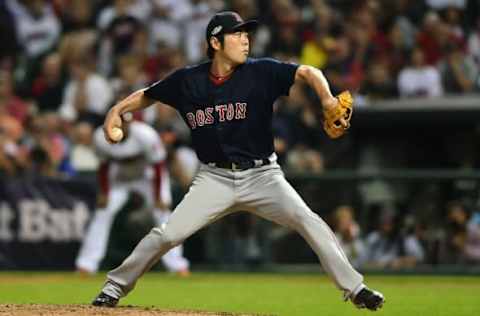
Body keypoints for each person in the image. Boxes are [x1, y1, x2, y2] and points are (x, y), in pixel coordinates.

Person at [92, 11, 385, 311]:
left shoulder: (261, 72)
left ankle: (356, 288)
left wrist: (326, 98)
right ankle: (113, 287)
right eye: (237, 34)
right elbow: (148, 94)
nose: (246, 40)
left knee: (307, 220)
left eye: (247, 34)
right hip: (214, 179)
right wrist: (117, 109)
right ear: (215, 42)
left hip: (263, 177)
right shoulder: (188, 81)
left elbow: (309, 72)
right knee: (167, 235)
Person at [76, 118, 190, 276]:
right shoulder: (101, 136)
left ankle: (177, 265)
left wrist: (158, 197)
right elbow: (103, 166)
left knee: (162, 214)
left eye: (127, 121)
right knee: (103, 212)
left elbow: (157, 166)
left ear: (132, 123)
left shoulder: (145, 135)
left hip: (147, 177)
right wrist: (104, 192)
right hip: (119, 179)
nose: (124, 125)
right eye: (120, 121)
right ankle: (86, 265)